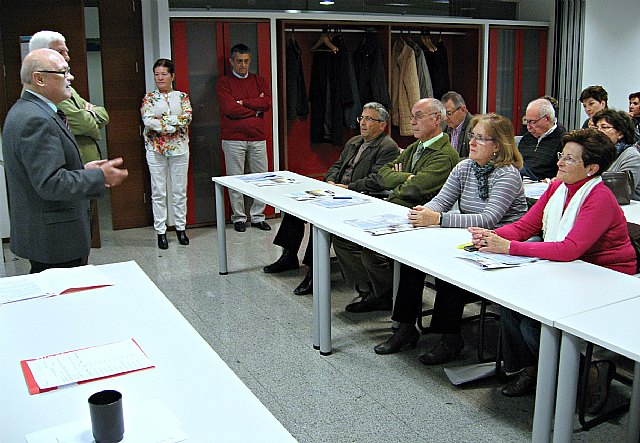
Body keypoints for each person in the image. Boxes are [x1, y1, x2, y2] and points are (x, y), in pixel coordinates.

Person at [468, 129, 635, 411]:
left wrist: (508, 248)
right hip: (568, 271)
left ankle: (592, 374)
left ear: (591, 168)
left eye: (569, 159)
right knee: (511, 304)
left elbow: (569, 248)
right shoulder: (558, 187)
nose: (559, 163)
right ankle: (531, 369)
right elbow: (525, 226)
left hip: (606, 279)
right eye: (561, 155)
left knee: (535, 323)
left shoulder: (600, 197)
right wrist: (490, 236)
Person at [374, 114, 527, 363]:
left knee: (450, 271)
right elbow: (442, 201)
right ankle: (404, 327)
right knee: (412, 263)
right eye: (472, 136)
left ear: (498, 146)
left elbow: (488, 219)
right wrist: (425, 211)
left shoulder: (508, 174)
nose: (472, 143)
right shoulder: (464, 167)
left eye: (480, 138)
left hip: (497, 244)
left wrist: (438, 219)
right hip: (468, 237)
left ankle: (450, 338)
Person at [2, 49, 128, 273]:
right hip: (55, 242)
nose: (70, 77)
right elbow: (51, 183)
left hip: (50, 238)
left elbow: (44, 172)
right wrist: (98, 176)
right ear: (39, 79)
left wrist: (83, 169)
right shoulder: (35, 119)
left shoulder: (32, 110)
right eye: (63, 72)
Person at [332, 98, 460, 313]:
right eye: (412, 116)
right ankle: (373, 290)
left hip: (418, 218)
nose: (412, 122)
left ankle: (385, 294)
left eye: (418, 116)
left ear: (437, 119)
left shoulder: (444, 155)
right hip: (395, 210)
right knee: (342, 238)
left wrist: (401, 180)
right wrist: (406, 177)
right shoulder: (415, 147)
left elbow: (415, 190)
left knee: (369, 250)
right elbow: (384, 174)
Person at [263, 103, 399, 295]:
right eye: (362, 118)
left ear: (383, 125)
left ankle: (314, 272)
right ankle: (289, 255)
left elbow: (378, 180)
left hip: (360, 198)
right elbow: (336, 166)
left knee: (319, 222)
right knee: (296, 209)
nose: (363, 123)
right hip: (336, 192)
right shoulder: (354, 142)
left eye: (369, 119)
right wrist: (331, 181)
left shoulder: (387, 147)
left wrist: (348, 187)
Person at [29, 30, 110, 248]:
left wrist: (89, 115)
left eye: (67, 51)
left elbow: (102, 114)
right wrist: (89, 118)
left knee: (83, 229)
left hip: (81, 173)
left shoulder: (65, 89)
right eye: (60, 52)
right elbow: (83, 123)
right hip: (69, 183)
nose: (67, 57)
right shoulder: (41, 105)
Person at [216, 43, 272, 233]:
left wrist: (244, 102)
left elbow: (267, 103)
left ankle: (258, 217)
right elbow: (229, 109)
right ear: (232, 61)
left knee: (261, 179)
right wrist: (254, 110)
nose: (243, 65)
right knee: (236, 179)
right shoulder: (224, 82)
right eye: (239, 61)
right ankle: (239, 218)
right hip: (233, 139)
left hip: (257, 138)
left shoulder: (259, 81)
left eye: (246, 61)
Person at [141, 59, 192, 250]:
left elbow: (187, 118)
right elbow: (148, 121)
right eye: (156, 74)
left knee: (179, 191)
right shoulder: (149, 98)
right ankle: (160, 231)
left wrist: (162, 120)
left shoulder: (182, 97)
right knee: (158, 191)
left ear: (172, 76)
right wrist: (173, 123)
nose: (160, 78)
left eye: (164, 74)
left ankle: (181, 228)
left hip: (180, 148)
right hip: (155, 149)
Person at [592, 109, 640, 200]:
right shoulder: (598, 153)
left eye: (604, 127)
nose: (598, 132)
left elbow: (622, 192)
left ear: (620, 133)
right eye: (596, 128)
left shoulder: (632, 156)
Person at [519, 98, 566, 181]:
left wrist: (550, 181)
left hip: (544, 187)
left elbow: (565, 173)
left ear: (547, 119)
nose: (528, 127)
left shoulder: (563, 140)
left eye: (533, 122)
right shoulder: (526, 138)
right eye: (527, 121)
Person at [441, 91, 473, 158]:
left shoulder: (474, 128)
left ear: (463, 110)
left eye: (449, 113)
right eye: (444, 114)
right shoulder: (444, 127)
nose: (446, 118)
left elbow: (475, 158)